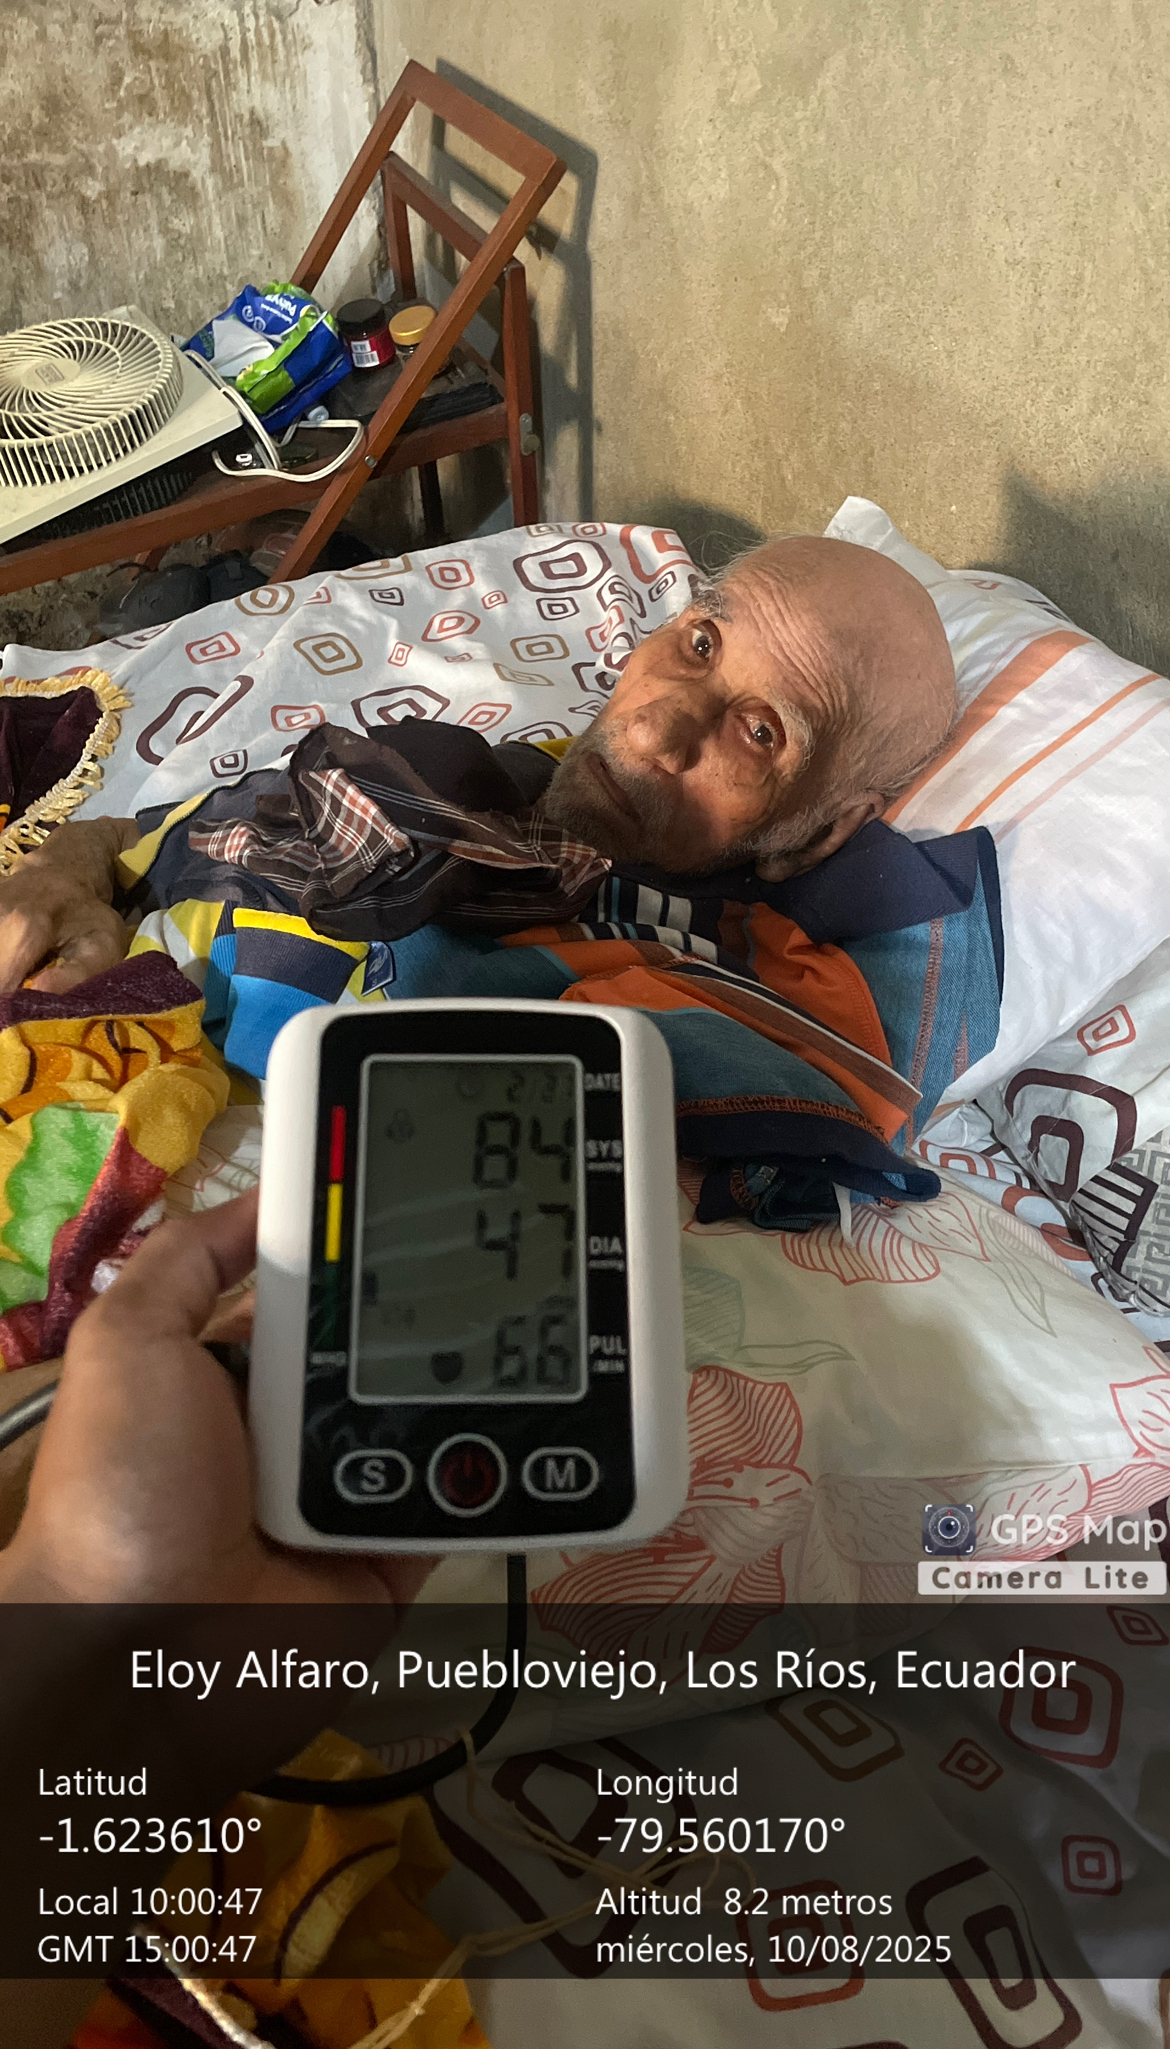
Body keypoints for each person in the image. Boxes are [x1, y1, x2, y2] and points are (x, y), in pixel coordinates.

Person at [0, 534, 956, 995]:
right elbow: (134, 832)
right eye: (701, 643)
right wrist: (64, 870)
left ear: (818, 836)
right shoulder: (499, 782)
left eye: (762, 733)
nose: (652, 730)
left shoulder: (678, 998)